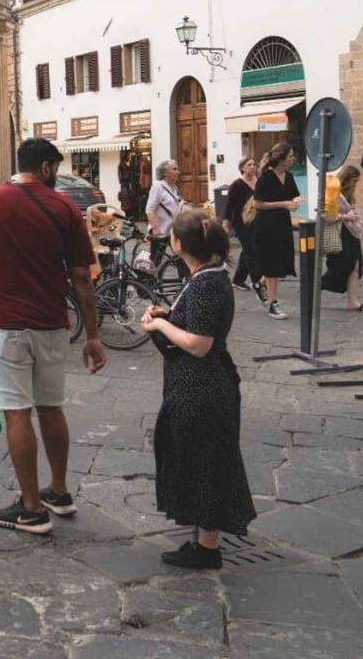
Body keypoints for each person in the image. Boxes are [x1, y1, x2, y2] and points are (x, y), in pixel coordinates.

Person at [0, 137, 105, 535]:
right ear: (45, 168)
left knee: (17, 413)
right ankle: (58, 491)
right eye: (55, 168)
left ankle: (31, 507)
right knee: (52, 408)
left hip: (3, 325)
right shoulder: (63, 208)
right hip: (53, 324)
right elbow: (80, 276)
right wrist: (92, 334)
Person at [139, 209, 256, 569]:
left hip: (202, 387)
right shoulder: (207, 276)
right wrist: (166, 315)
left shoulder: (206, 283)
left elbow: (199, 343)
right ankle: (204, 539)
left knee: (206, 463)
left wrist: (161, 328)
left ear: (178, 244)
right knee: (201, 459)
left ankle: (207, 548)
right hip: (201, 385)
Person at [253, 143, 299, 321]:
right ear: (281, 158)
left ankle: (259, 283)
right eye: (291, 156)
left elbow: (292, 196)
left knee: (280, 262)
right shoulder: (265, 178)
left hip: (282, 225)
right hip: (266, 226)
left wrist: (294, 202)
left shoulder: (289, 176)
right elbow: (258, 204)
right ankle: (273, 304)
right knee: (272, 266)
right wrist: (284, 204)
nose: (293, 158)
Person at [323, 164, 363, 312]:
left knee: (355, 266)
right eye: (355, 181)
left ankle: (353, 302)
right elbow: (326, 216)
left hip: (351, 233)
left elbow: (352, 209)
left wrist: (352, 216)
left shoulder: (350, 195)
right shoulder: (333, 191)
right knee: (341, 267)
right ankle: (318, 285)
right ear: (348, 180)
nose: (356, 184)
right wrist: (345, 216)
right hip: (340, 231)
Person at [224, 156, 264, 301]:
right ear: (242, 168)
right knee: (251, 252)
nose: (252, 167)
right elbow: (229, 205)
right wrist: (226, 223)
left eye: (254, 164)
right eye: (249, 165)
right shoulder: (237, 185)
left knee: (250, 249)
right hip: (241, 223)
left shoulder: (259, 183)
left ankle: (238, 280)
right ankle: (257, 281)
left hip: (257, 221)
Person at [145, 159, 183, 267]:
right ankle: (149, 283)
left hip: (173, 230)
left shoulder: (174, 188)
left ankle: (185, 281)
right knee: (154, 262)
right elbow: (149, 210)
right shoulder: (158, 187)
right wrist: (156, 230)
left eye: (177, 169)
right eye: (174, 169)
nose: (178, 172)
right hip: (160, 232)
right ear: (165, 173)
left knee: (180, 258)